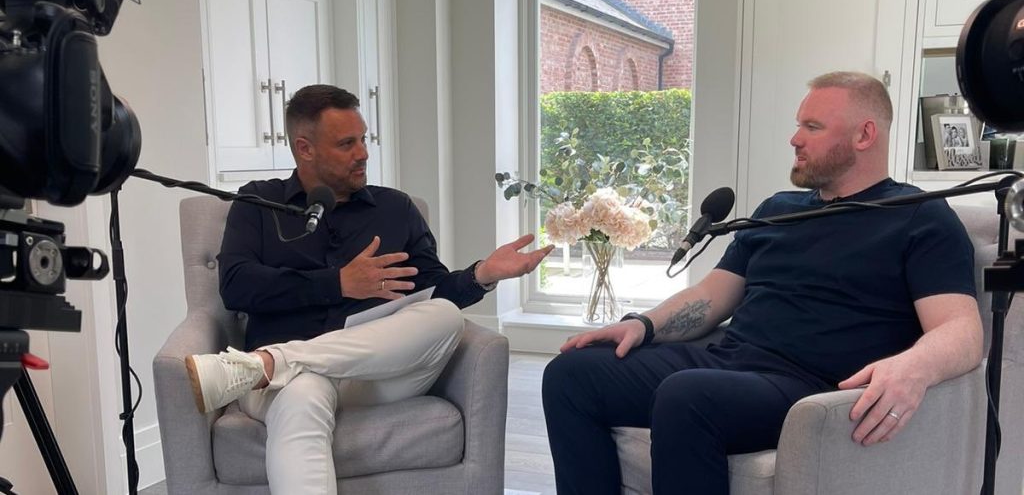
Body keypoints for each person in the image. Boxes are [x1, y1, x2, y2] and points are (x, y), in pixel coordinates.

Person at [542, 71, 983, 495]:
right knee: (571, 374)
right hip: (729, 362)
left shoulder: (919, 216)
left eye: (812, 126)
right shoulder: (778, 208)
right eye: (798, 125)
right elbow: (710, 296)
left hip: (811, 386)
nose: (795, 139)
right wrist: (644, 324)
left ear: (864, 135)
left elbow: (961, 330)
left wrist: (914, 367)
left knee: (688, 395)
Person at [185, 84, 553, 494]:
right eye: (346, 143)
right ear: (305, 148)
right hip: (286, 387)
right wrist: (338, 282)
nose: (362, 153)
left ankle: (270, 362)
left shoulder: (396, 209)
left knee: (444, 317)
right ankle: (279, 367)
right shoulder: (257, 203)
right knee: (302, 394)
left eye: (363, 139)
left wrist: (483, 273)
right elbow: (235, 286)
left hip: (377, 375)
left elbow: (433, 292)